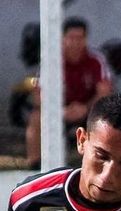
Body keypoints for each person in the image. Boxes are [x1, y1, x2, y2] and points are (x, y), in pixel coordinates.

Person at [26, 15, 114, 168]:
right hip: (58, 110)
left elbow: (104, 91)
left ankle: (102, 163)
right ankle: (35, 165)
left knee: (107, 119)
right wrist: (59, 110)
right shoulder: (52, 60)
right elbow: (39, 94)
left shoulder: (96, 60)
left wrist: (85, 108)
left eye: (80, 38)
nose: (75, 43)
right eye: (71, 38)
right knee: (36, 118)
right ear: (62, 38)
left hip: (88, 109)